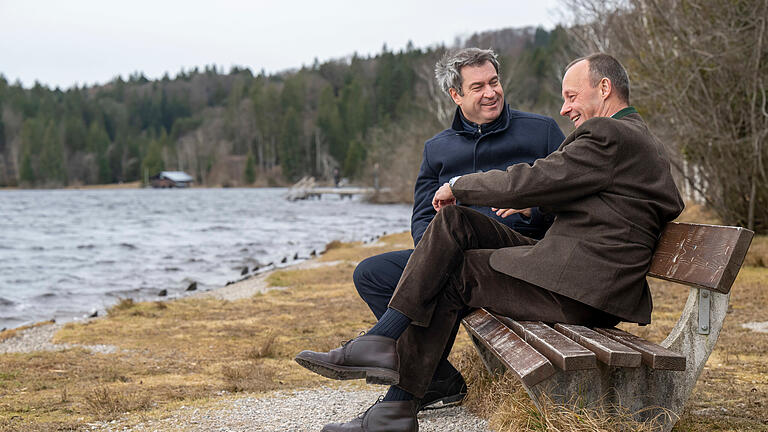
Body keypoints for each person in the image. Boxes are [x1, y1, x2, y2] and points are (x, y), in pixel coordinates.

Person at [296, 53, 684, 432]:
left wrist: (459, 185)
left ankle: (396, 404)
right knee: (455, 221)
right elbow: (602, 195)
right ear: (456, 95)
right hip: (580, 276)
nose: (565, 109)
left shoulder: (609, 133)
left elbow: (532, 178)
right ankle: (383, 343)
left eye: (571, 96)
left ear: (604, 88)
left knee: (456, 274)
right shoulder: (634, 139)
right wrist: (534, 201)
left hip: (582, 288)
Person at [352, 48, 564, 412]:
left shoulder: (541, 132)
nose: (491, 92)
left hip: (517, 261)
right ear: (456, 95)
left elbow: (569, 199)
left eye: (494, 82)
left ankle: (397, 383)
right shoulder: (437, 149)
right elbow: (422, 217)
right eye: (478, 86)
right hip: (452, 256)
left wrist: (534, 210)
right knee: (371, 274)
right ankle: (438, 378)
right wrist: (431, 255)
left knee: (442, 270)